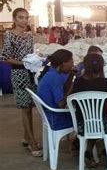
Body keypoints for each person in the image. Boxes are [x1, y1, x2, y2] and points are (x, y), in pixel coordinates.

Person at [71, 53, 107, 167]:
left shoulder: (77, 82)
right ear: (101, 67)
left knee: (93, 121)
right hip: (102, 124)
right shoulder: (104, 82)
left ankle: (89, 150)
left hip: (82, 125)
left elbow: (73, 101)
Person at [0, 8, 42, 156]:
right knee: (25, 107)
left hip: (30, 73)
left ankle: (26, 137)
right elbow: (4, 57)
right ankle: (31, 141)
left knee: (30, 106)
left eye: (26, 17)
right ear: (15, 19)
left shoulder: (29, 36)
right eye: (21, 18)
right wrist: (23, 63)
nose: (24, 20)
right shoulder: (9, 35)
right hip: (18, 73)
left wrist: (34, 61)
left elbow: (30, 54)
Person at [37, 49, 75, 148]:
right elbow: (61, 104)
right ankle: (81, 146)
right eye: (71, 63)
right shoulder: (55, 78)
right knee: (85, 118)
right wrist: (72, 89)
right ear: (63, 63)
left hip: (48, 116)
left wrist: (71, 75)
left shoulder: (49, 73)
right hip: (56, 118)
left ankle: (77, 144)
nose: (72, 65)